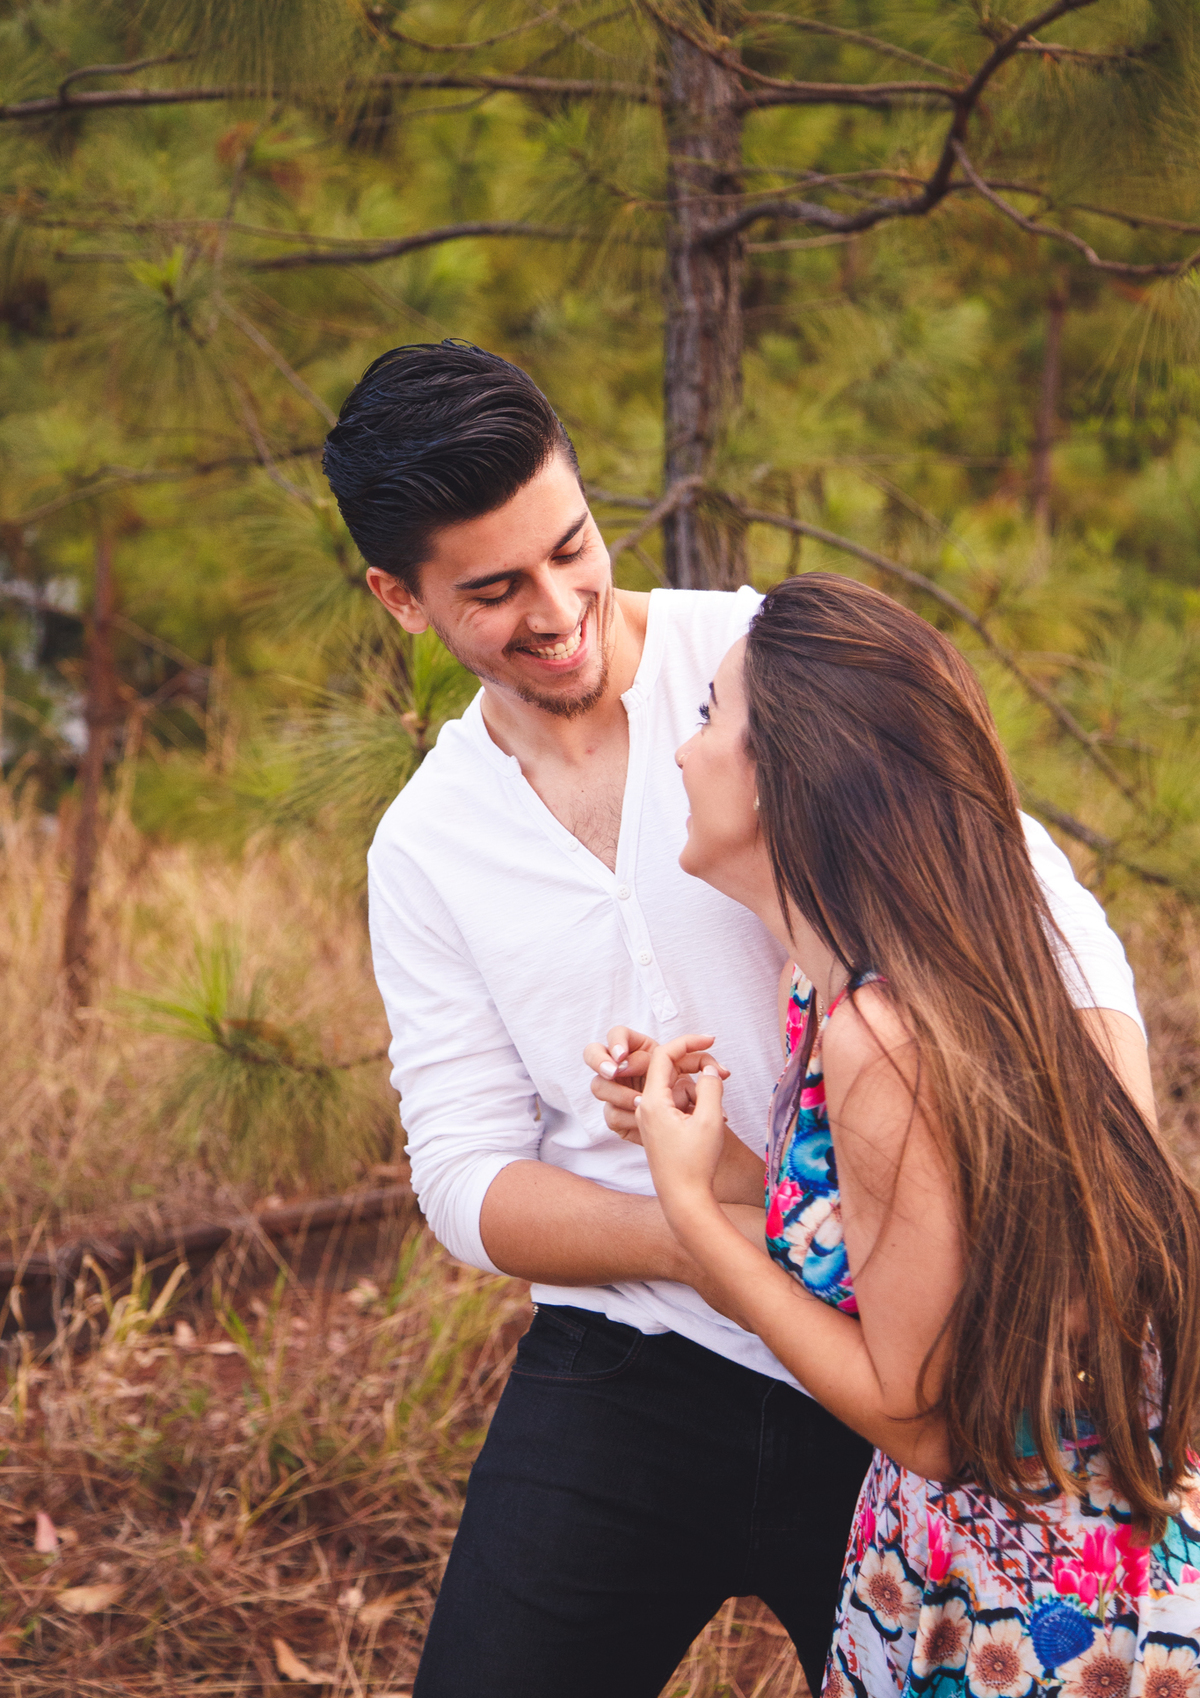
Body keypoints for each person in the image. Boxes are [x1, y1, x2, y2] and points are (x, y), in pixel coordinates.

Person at [322, 340, 1154, 1698]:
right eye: (495, 590)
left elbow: (1049, 922)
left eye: (572, 548)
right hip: (628, 1366)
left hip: (903, 1361)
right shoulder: (424, 848)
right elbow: (465, 1177)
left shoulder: (759, 664)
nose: (560, 610)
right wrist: (714, 1226)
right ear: (400, 599)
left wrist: (1102, 1227)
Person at [615, 570, 1200, 1698]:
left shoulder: (883, 1034)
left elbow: (921, 1419)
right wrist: (700, 1147)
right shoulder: (827, 986)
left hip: (1050, 1602)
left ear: (785, 776)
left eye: (710, 718)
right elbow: (893, 1246)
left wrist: (690, 1214)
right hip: (963, 1553)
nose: (681, 755)